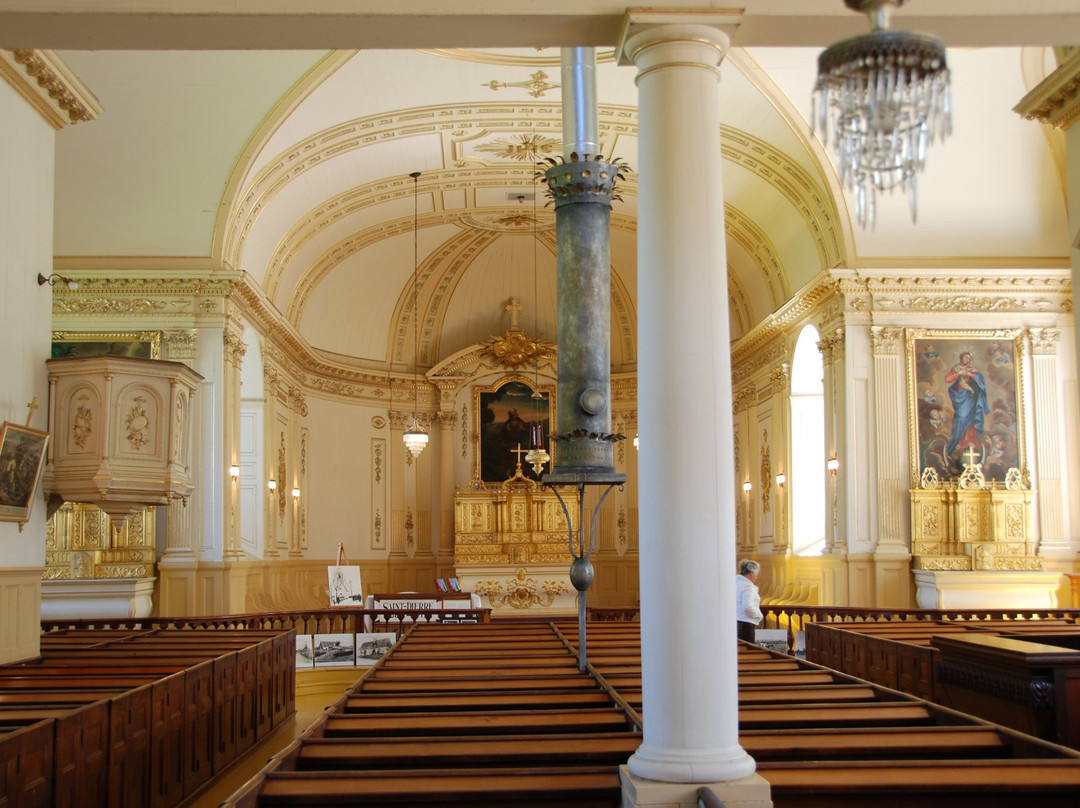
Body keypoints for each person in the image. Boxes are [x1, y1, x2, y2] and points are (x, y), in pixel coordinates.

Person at [736, 559, 763, 644]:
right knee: (748, 650)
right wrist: (758, 615)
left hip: (736, 621)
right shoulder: (748, 586)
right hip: (745, 624)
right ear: (751, 573)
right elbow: (747, 607)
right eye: (756, 575)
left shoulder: (735, 582)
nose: (756, 578)